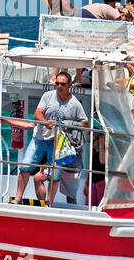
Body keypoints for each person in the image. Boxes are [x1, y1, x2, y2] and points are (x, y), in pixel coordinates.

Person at [13, 72, 88, 206]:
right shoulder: (47, 96)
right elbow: (37, 114)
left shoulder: (75, 103)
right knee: (25, 167)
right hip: (39, 139)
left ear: (69, 85)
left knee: (55, 175)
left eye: (62, 84)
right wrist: (46, 122)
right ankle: (17, 199)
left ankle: (49, 204)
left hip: (57, 143)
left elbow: (84, 123)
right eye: (57, 83)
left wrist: (67, 124)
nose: (59, 86)